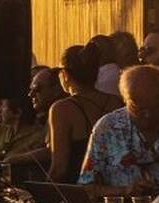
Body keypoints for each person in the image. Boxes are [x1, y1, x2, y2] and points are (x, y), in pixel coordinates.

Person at [78, 65, 159, 192]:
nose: (147, 115)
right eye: (138, 108)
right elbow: (86, 188)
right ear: (124, 99)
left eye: (155, 107)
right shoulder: (107, 127)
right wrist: (124, 191)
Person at [46, 43, 119, 183]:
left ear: (65, 75)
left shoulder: (62, 109)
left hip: (78, 189)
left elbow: (59, 169)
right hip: (116, 186)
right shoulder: (116, 102)